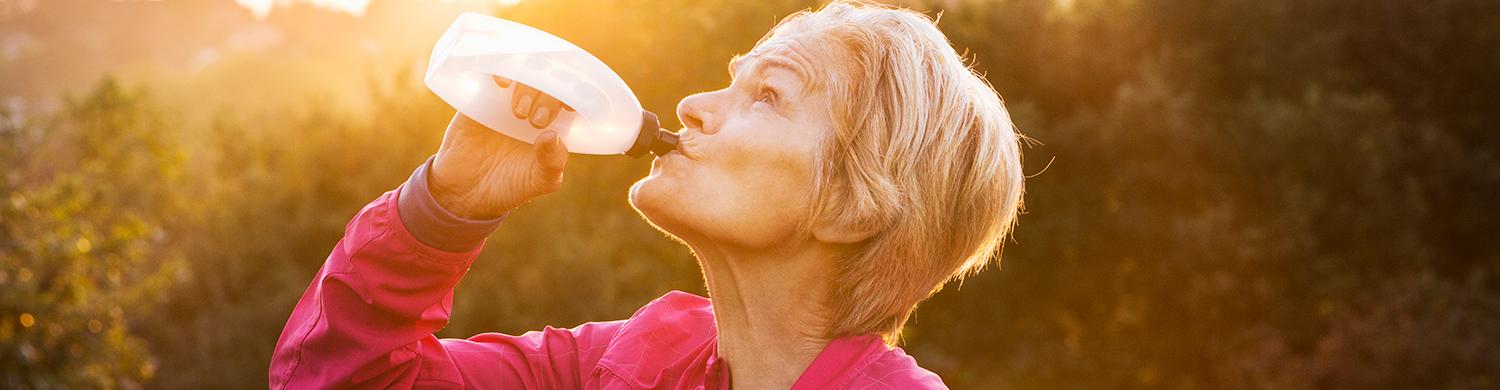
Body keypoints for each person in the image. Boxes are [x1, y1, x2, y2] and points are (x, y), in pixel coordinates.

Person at [269, 1, 1024, 388]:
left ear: (853, 205)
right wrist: (445, 208)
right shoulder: (623, 366)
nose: (694, 104)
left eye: (767, 96)